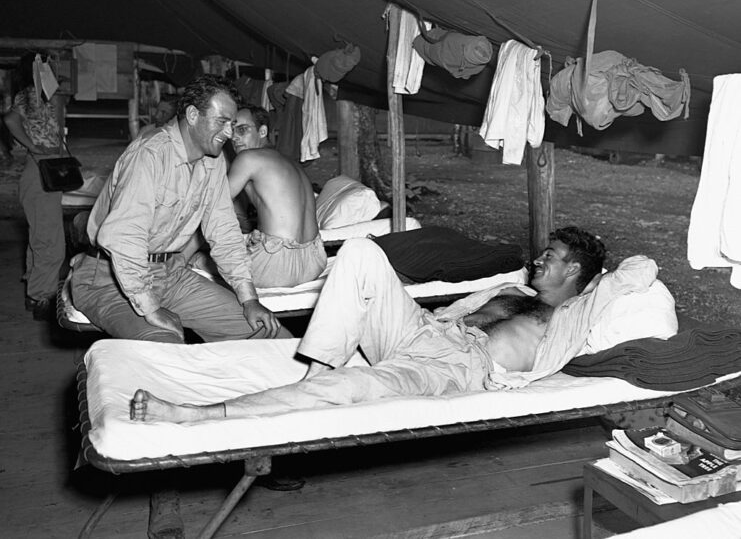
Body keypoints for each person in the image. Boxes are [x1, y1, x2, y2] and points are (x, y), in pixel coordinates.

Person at [129, 227, 662, 423]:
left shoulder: (575, 311)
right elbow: (449, 313)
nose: (538, 261)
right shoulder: (510, 290)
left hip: (458, 367)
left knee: (355, 387)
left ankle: (196, 414)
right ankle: (316, 372)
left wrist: (602, 279)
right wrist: (418, 321)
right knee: (359, 251)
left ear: (575, 270)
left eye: (551, 256)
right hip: (426, 332)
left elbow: (644, 268)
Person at [69, 74, 289, 343]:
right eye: (221, 122)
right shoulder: (150, 155)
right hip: (108, 279)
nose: (229, 133)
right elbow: (123, 237)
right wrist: (150, 307)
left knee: (273, 336)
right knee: (164, 344)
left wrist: (248, 299)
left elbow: (225, 231)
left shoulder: (213, 161)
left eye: (232, 124)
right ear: (193, 115)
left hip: (169, 274)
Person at [186, 104, 326, 287]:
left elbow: (211, 210)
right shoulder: (291, 164)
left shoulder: (248, 158)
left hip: (276, 266)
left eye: (242, 130)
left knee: (195, 259)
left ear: (262, 131)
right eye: (232, 130)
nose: (234, 137)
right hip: (313, 261)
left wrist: (182, 255)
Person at [3, 52, 67, 321]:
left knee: (40, 233)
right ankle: (41, 296)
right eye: (48, 64)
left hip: (38, 167)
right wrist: (34, 146)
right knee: (51, 240)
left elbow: (12, 119)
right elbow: (8, 119)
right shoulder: (38, 94)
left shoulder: (32, 95)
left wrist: (32, 146)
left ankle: (35, 287)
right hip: (44, 166)